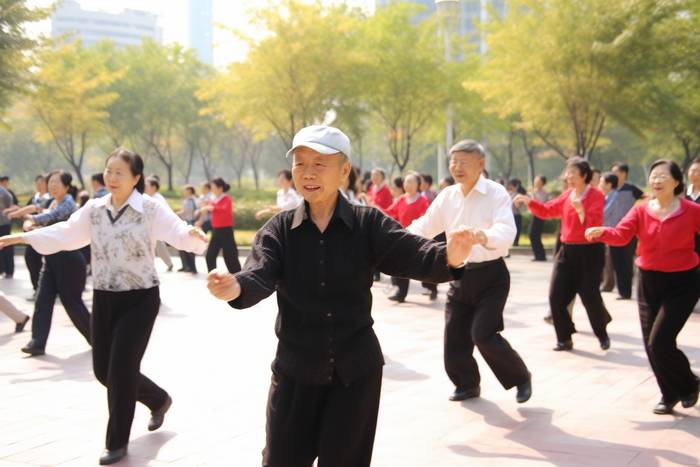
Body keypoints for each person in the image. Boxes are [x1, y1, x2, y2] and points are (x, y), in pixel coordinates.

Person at [206, 125, 475, 467]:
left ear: (344, 170)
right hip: (295, 368)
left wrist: (451, 256)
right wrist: (236, 286)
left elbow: (415, 255)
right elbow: (260, 272)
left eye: (320, 163)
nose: (308, 173)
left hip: (354, 368)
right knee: (280, 460)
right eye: (300, 163)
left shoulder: (368, 224)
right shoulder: (279, 230)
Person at [0, 148, 208, 465]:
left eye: (119, 172)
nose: (111, 177)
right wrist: (21, 239)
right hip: (104, 296)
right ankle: (157, 398)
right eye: (108, 170)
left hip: (140, 297)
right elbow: (67, 232)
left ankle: (116, 443)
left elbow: (178, 230)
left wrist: (192, 234)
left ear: (136, 178)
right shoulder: (94, 208)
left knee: (121, 369)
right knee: (103, 371)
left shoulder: (150, 208)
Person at [408, 139, 532, 405]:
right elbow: (424, 226)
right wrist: (396, 240)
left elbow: (507, 231)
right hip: (460, 274)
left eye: (464, 162)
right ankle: (467, 384)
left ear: (480, 164)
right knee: (454, 334)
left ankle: (521, 378)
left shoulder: (496, 193)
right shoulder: (447, 196)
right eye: (454, 162)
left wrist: (482, 235)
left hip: (492, 277)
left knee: (483, 334)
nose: (457, 167)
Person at [586, 159, 700, 415]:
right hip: (649, 282)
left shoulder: (692, 210)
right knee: (651, 344)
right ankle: (669, 393)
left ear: (676, 181)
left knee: (660, 341)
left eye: (662, 176)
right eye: (653, 175)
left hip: (683, 283)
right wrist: (602, 231)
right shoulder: (640, 210)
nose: (656, 180)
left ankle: (690, 383)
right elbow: (622, 234)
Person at [515, 157, 611, 351]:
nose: (567, 176)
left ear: (584, 175)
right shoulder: (567, 195)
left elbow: (594, 222)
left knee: (589, 297)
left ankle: (602, 333)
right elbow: (547, 210)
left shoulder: (596, 195)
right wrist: (529, 202)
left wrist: (581, 210)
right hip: (567, 250)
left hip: (589, 251)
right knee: (555, 295)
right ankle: (564, 338)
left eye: (571, 172)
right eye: (566, 172)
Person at [7, 170, 91, 356]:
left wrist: (30, 221)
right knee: (42, 299)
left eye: (56, 182)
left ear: (67, 186)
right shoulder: (51, 202)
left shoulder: (68, 202)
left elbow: (49, 218)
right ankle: (37, 342)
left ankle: (97, 338)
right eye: (50, 182)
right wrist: (26, 219)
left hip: (68, 259)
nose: (52, 185)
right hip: (51, 259)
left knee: (72, 303)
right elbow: (39, 212)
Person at [384, 172, 430, 303]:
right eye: (406, 182)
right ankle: (400, 292)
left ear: (418, 184)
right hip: (402, 236)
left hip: (416, 238)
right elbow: (390, 212)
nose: (407, 185)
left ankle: (431, 287)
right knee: (397, 263)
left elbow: (426, 219)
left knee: (421, 266)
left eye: (411, 182)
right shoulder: (401, 199)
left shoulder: (422, 200)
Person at [3, 175, 52, 295]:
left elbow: (40, 215)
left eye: (42, 182)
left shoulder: (50, 200)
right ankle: (37, 288)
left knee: (43, 263)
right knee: (30, 259)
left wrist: (20, 212)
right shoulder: (33, 199)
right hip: (32, 237)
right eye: (37, 182)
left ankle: (46, 290)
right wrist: (18, 212)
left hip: (45, 236)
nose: (39, 184)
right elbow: (28, 214)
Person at [610, 162, 645, 300]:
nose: (613, 175)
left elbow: (646, 198)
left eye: (615, 172)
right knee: (616, 261)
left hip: (629, 231)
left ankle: (626, 291)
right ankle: (621, 289)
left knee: (625, 261)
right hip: (612, 231)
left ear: (623, 173)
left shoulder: (631, 189)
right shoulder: (611, 188)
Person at [200, 178, 241, 274]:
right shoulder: (214, 200)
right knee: (210, 256)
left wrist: (212, 207)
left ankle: (239, 280)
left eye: (214, 187)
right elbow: (207, 208)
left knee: (230, 258)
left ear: (220, 188)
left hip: (226, 231)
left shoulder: (227, 199)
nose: (212, 189)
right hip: (216, 231)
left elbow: (223, 209)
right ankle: (214, 279)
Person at [144, 177, 174, 272]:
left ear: (153, 188)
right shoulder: (153, 197)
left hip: (157, 227)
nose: (144, 187)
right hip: (155, 227)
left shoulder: (157, 199)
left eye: (146, 185)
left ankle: (169, 264)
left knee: (158, 247)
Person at [599, 171, 621, 293]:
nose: (599, 185)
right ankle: (606, 283)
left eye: (601, 182)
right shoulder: (607, 196)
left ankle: (608, 285)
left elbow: (604, 213)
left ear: (609, 184)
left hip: (610, 231)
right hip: (604, 231)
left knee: (608, 260)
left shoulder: (615, 196)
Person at [175, 185, 199, 274]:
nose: (184, 192)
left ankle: (191, 267)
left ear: (189, 191)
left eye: (185, 190)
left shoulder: (191, 201)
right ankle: (187, 266)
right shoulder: (190, 200)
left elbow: (185, 212)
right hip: (188, 224)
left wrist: (174, 215)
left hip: (189, 224)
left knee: (189, 246)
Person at [528, 174, 549, 261]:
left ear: (542, 183)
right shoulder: (534, 192)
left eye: (538, 181)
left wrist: (535, 196)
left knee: (534, 234)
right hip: (535, 214)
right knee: (533, 234)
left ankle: (540, 255)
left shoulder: (544, 193)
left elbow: (541, 204)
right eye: (535, 180)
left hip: (540, 215)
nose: (536, 182)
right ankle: (539, 254)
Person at [686, 158, 700, 258]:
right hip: (685, 245)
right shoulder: (681, 194)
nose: (696, 174)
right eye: (693, 171)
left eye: (699, 172)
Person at [0, 184, 14, 278]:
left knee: (6, 247)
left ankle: (9, 270)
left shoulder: (3, 192)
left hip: (4, 223)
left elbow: (10, 205)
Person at [508, 178, 525, 247]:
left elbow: (519, 206)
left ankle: (515, 243)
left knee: (516, 229)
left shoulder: (518, 194)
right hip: (512, 214)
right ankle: (513, 242)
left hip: (516, 214)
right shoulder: (513, 193)